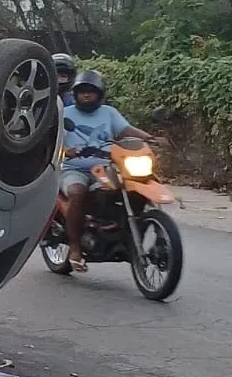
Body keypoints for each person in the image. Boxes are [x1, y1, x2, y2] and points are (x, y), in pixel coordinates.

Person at [60, 70, 167, 271]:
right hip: (75, 169)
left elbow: (127, 131)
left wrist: (149, 138)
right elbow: (51, 142)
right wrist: (67, 151)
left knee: (135, 188)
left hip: (108, 167)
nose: (86, 95)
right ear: (75, 94)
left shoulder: (109, 112)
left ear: (100, 94)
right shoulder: (65, 114)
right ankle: (75, 248)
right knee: (77, 192)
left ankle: (122, 231)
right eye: (82, 91)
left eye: (91, 91)